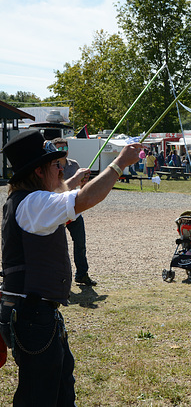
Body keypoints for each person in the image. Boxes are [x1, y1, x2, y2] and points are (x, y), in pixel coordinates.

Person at [0, 130, 140, 405]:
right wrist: (118, 164)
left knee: (60, 385)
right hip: (32, 314)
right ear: (39, 171)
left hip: (33, 313)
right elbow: (84, 200)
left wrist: (72, 181)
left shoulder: (28, 200)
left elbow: (60, 198)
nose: (61, 168)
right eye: (56, 165)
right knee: (39, 395)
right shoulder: (33, 203)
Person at [52, 137, 97, 286]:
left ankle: (82, 274)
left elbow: (81, 187)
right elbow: (56, 190)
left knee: (80, 244)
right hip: (59, 211)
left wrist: (83, 182)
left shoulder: (75, 164)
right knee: (59, 247)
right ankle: (61, 278)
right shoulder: (52, 167)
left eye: (64, 148)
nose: (62, 152)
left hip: (75, 210)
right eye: (59, 149)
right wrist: (74, 180)